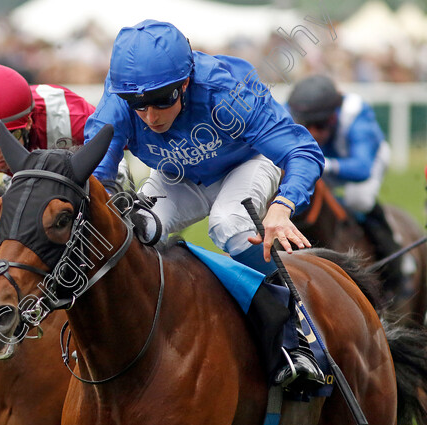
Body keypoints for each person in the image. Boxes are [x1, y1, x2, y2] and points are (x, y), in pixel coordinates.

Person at [85, 20, 326, 392]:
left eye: (163, 99)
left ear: (185, 83)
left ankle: (295, 337)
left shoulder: (229, 90)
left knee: (227, 224)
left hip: (245, 165)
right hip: (176, 177)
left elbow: (303, 151)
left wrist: (282, 204)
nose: (150, 116)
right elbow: (97, 178)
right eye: (139, 105)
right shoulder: (117, 100)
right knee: (135, 233)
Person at [287, 75, 408, 297]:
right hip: (323, 161)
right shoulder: (288, 111)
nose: (313, 132)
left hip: (366, 160)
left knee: (359, 200)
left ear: (334, 116)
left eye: (320, 125)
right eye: (306, 125)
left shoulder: (357, 116)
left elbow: (362, 169)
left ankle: (397, 262)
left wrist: (322, 164)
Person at [0, 64, 131, 188]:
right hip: (25, 173)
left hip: (87, 169)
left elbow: (122, 141)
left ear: (28, 123)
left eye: (6, 139)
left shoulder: (73, 117)